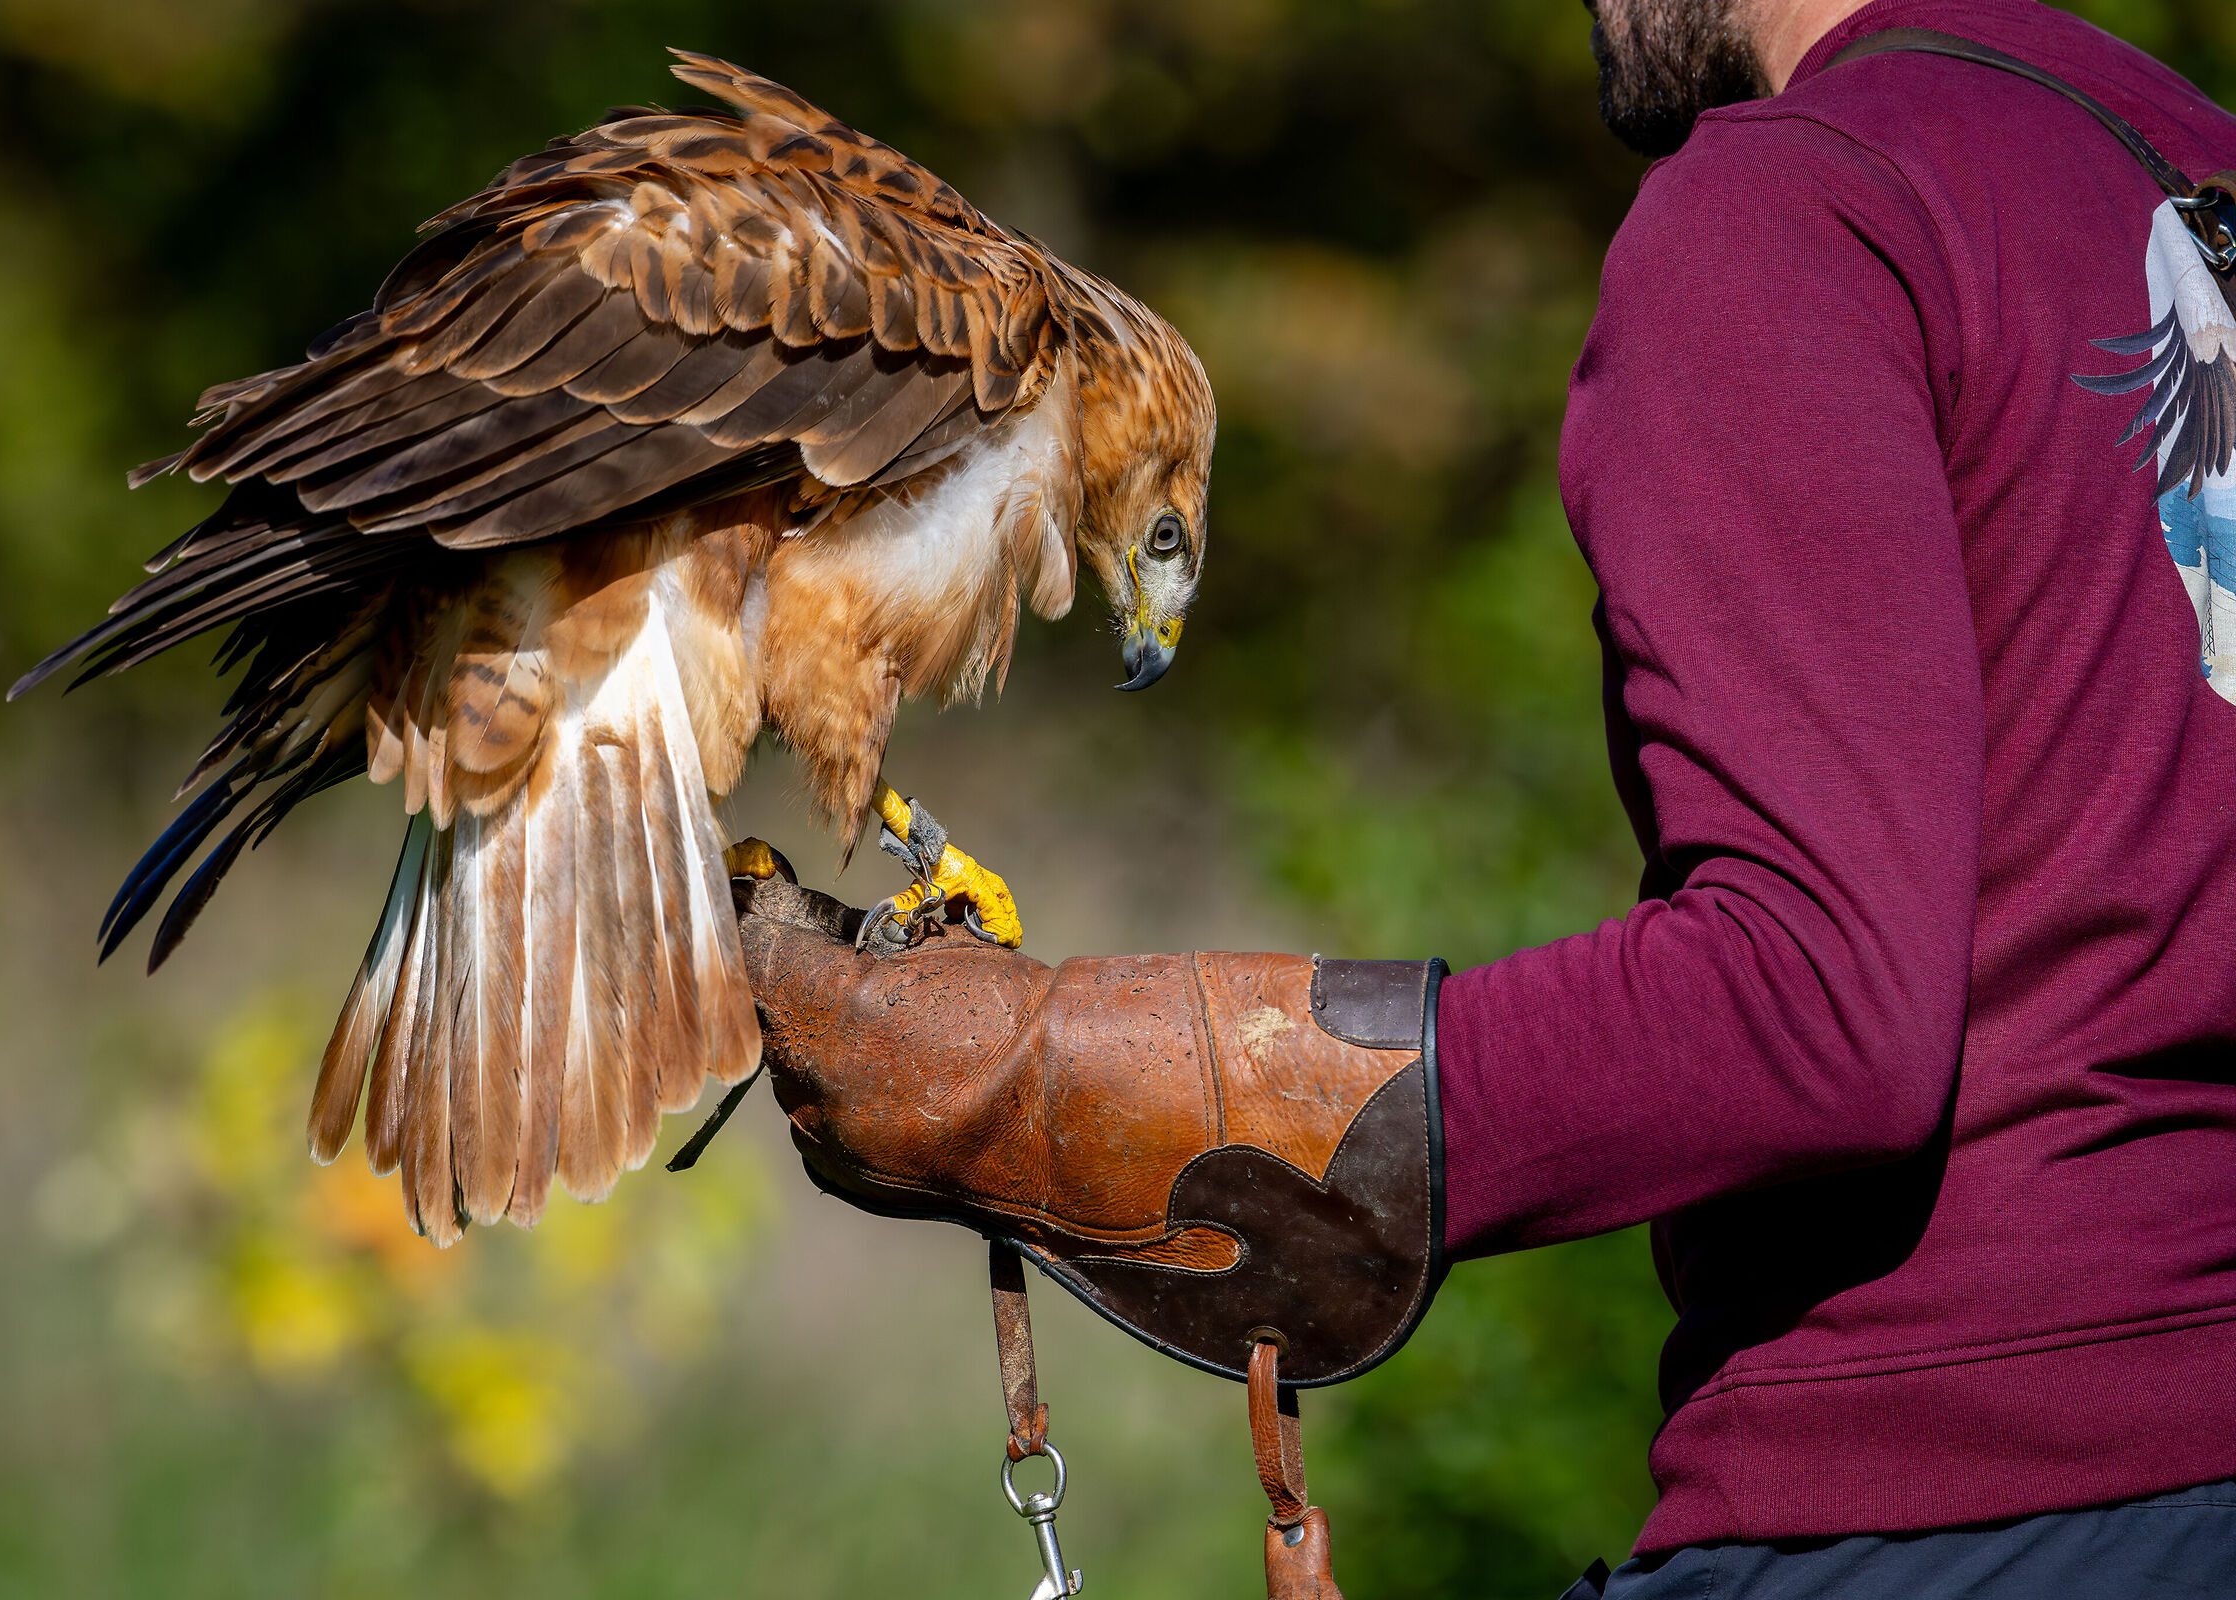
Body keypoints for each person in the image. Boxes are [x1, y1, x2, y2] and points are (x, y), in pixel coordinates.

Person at [733, 1, 2236, 1593]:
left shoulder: (1800, 203)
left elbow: (1820, 1006)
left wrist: (1166, 1098)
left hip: (1953, 1501)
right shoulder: (2185, 168)